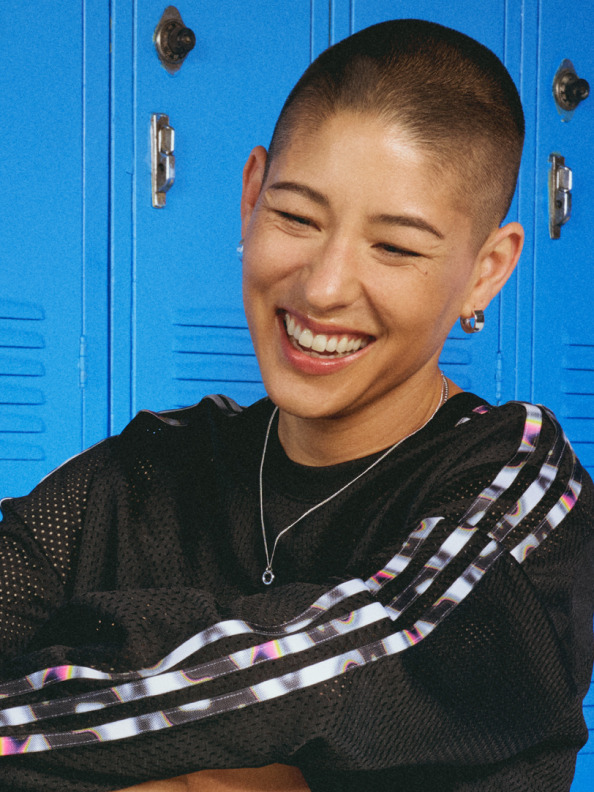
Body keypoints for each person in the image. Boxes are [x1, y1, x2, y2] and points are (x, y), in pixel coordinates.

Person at [0, 18, 592, 792]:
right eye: (297, 217)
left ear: (487, 270)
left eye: (397, 247)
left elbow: (323, 678)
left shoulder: (519, 491)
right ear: (250, 198)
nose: (324, 287)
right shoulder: (143, 472)